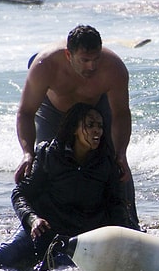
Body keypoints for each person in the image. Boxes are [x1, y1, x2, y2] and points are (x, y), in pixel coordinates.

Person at [0, 103, 137, 271]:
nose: (97, 131)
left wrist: (125, 239)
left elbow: (116, 205)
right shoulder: (48, 154)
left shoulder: (106, 163)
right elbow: (20, 194)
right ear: (74, 129)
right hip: (42, 230)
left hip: (78, 238)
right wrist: (33, 220)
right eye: (90, 125)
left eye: (100, 126)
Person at [15, 24, 139, 229]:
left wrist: (121, 154)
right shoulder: (44, 65)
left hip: (96, 108)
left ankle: (129, 226)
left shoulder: (114, 68)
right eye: (85, 60)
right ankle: (36, 227)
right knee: (43, 162)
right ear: (68, 54)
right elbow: (25, 112)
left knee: (116, 166)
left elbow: (121, 114)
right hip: (54, 111)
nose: (91, 66)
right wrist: (27, 153)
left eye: (96, 59)